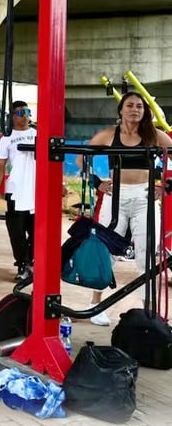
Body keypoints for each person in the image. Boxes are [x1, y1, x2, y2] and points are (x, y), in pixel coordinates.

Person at [82, 92, 172, 326]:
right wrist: (97, 182)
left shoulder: (154, 135)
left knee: (147, 255)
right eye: (130, 105)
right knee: (106, 253)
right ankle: (95, 305)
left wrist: (166, 186)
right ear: (121, 110)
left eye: (139, 106)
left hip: (145, 197)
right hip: (116, 197)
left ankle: (149, 312)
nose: (135, 109)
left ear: (145, 111)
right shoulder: (109, 135)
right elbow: (83, 159)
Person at [0, 101, 37, 282]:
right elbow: (0, 166)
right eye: (20, 112)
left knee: (36, 232)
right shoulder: (7, 139)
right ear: (13, 117)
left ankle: (32, 263)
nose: (25, 116)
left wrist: (61, 186)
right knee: (16, 232)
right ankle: (22, 264)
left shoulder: (38, 134)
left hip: (35, 191)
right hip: (15, 191)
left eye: (27, 112)